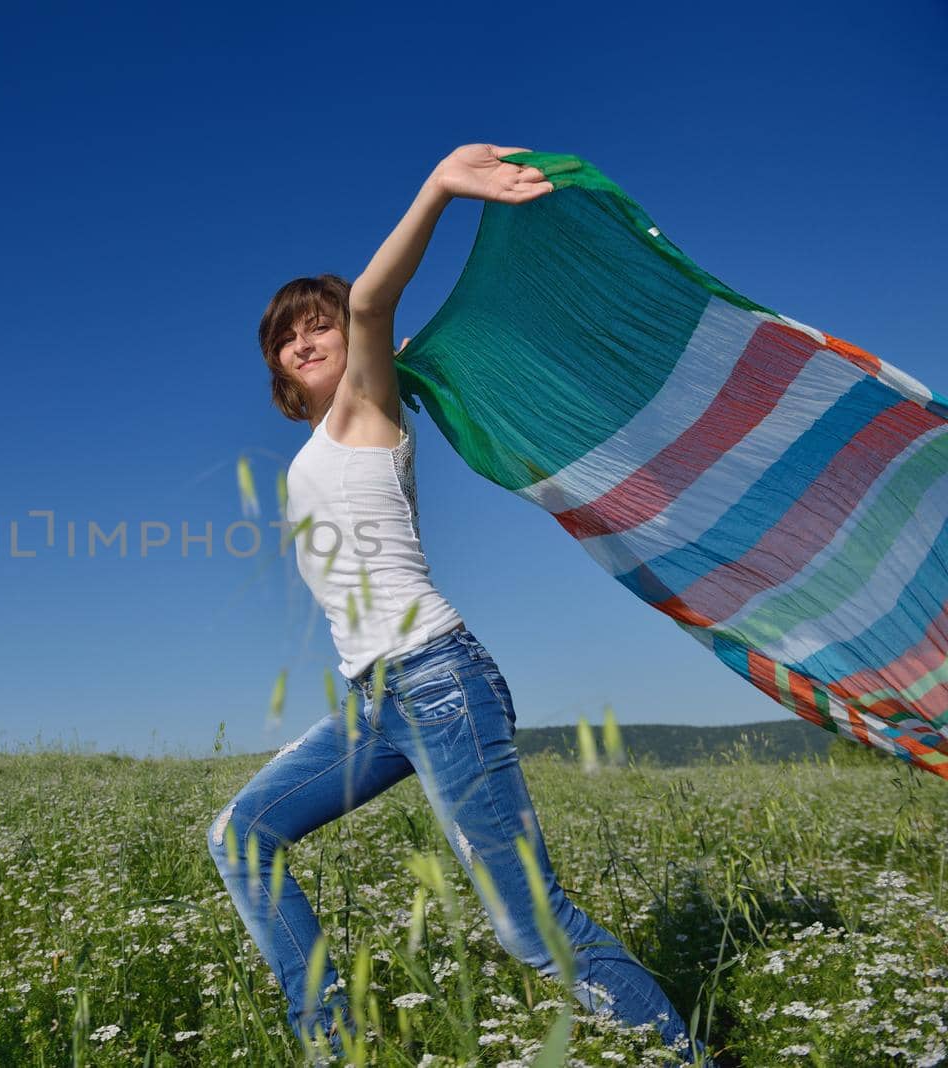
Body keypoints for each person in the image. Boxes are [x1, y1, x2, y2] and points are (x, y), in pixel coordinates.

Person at [206, 144, 711, 1065]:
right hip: (376, 700)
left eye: (318, 325)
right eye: (288, 338)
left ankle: (687, 1058)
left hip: (436, 679)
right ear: (279, 370)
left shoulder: (369, 406)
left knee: (530, 929)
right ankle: (332, 1039)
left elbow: (370, 302)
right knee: (241, 835)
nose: (307, 340)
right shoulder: (321, 441)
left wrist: (440, 183)